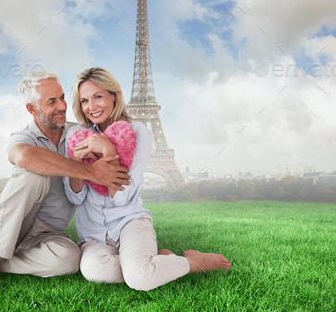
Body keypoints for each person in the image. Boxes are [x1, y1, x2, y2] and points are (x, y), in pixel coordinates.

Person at [0, 71, 131, 280]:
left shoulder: (80, 134)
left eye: (63, 97)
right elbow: (24, 156)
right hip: (12, 220)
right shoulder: (22, 137)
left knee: (69, 259)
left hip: (49, 233)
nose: (62, 106)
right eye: (52, 102)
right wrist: (90, 172)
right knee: (36, 175)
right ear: (31, 109)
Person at [64, 67, 231, 291]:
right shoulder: (78, 138)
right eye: (84, 101)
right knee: (94, 271)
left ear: (114, 95)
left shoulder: (138, 131)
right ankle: (160, 262)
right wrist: (76, 165)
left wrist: (109, 152)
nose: (91, 107)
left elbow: (122, 198)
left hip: (130, 224)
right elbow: (75, 198)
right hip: (93, 234)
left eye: (98, 97)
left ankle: (194, 262)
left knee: (139, 279)